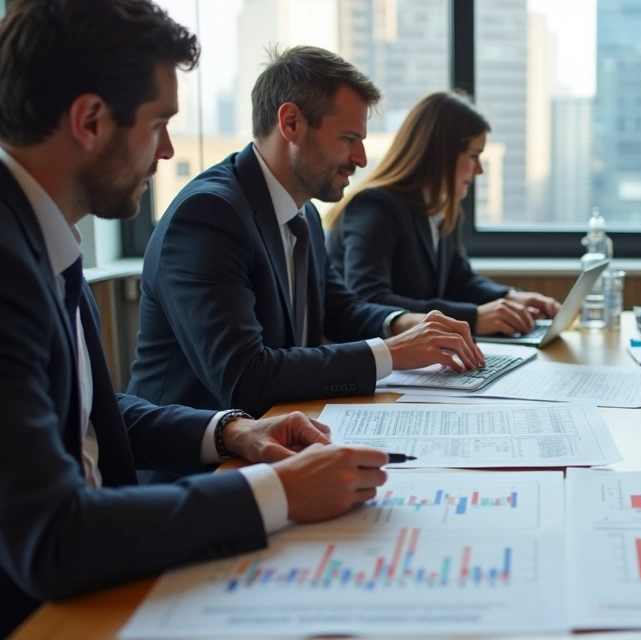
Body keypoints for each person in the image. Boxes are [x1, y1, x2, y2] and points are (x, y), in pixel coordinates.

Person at [0, 2, 393, 634]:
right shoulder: (13, 260)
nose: (167, 150)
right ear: (91, 121)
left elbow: (81, 413)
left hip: (120, 545)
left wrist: (227, 431)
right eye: (158, 123)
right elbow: (51, 539)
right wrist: (279, 494)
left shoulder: (43, 239)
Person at [128, 47, 485, 419]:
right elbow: (245, 378)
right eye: (348, 138)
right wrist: (392, 353)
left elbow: (340, 309)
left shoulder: (304, 213)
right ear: (292, 123)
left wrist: (403, 323)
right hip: (200, 463)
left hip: (283, 433)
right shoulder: (209, 215)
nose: (361, 158)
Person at [325, 91, 560, 337]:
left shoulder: (442, 211)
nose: (479, 170)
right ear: (441, 154)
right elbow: (369, 299)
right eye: (473, 156)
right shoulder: (376, 207)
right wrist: (473, 318)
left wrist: (512, 298)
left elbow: (459, 281)